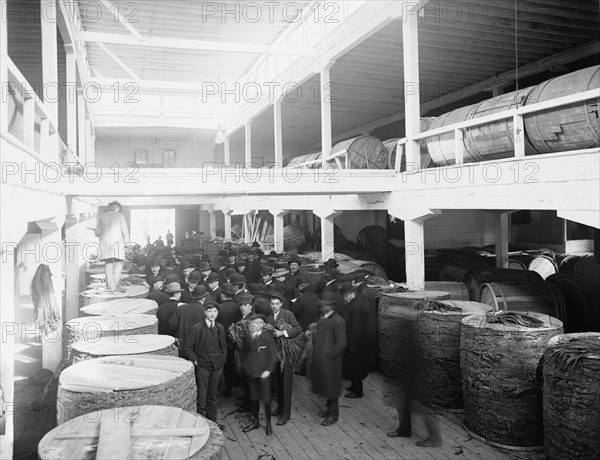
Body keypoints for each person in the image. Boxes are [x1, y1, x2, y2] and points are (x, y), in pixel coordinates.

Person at [184, 302, 227, 423]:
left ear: (217, 313)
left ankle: (213, 422)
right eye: (209, 311)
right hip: (203, 366)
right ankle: (202, 423)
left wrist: (222, 361)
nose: (212, 314)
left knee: (213, 396)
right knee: (202, 397)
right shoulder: (197, 328)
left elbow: (223, 346)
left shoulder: (220, 327)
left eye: (215, 311)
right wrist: (196, 361)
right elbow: (188, 348)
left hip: (217, 367)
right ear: (205, 312)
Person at [311, 291, 347, 426]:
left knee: (331, 387)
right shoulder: (325, 317)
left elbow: (342, 343)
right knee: (326, 385)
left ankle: (333, 414)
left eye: (325, 305)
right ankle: (329, 409)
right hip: (323, 358)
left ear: (331, 306)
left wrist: (329, 355)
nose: (322, 307)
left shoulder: (338, 321)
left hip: (331, 361)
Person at [267, 291, 302, 426]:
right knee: (277, 384)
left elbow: (298, 329)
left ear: (281, 304)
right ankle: (280, 408)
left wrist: (283, 332)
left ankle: (286, 414)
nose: (275, 306)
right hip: (275, 355)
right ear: (270, 305)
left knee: (286, 385)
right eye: (272, 304)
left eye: (277, 304)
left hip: (286, 355)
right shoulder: (269, 318)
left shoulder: (288, 314)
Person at [242, 314, 277, 436]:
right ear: (251, 324)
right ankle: (255, 421)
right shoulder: (247, 336)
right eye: (255, 323)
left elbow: (273, 356)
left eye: (261, 323)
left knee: (267, 399)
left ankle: (268, 423)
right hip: (251, 371)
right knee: (254, 397)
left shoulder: (268, 337)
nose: (258, 325)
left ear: (264, 325)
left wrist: (268, 370)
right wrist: (245, 367)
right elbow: (245, 352)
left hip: (264, 373)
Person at [341, 282, 369, 398]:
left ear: (350, 294)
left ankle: (358, 392)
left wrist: (352, 344)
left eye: (344, 295)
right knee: (353, 366)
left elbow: (356, 327)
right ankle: (354, 386)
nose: (343, 298)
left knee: (356, 366)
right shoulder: (355, 302)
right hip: (354, 340)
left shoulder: (356, 306)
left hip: (355, 342)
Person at [94, 201, 129, 291]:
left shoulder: (102, 217)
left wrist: (96, 230)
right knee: (118, 264)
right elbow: (125, 232)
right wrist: (127, 245)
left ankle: (110, 287)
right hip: (117, 245)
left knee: (108, 265)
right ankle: (116, 285)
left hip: (105, 247)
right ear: (118, 209)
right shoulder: (120, 216)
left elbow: (98, 233)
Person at [170, 285, 209, 357]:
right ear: (203, 299)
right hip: (197, 348)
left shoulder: (181, 308)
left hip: (182, 346)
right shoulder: (205, 312)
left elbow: (172, 325)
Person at [217, 283, 241, 397]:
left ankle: (224, 389)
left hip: (221, 341)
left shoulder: (219, 308)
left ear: (223, 295)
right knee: (233, 364)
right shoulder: (238, 307)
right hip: (234, 340)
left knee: (223, 365)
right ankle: (232, 386)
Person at [353, 273, 378, 370]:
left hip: (366, 322)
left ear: (358, 283)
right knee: (372, 343)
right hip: (372, 321)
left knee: (367, 344)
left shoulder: (362, 293)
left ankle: (369, 364)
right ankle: (372, 363)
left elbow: (364, 310)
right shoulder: (371, 291)